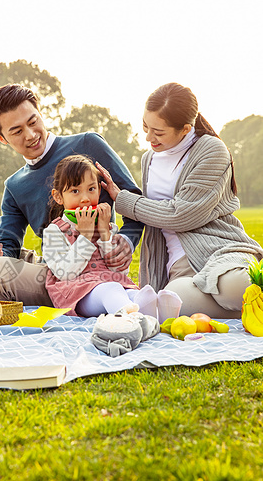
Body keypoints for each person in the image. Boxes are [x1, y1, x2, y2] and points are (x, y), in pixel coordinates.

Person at [0, 84, 144, 306]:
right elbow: (9, 245)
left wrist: (127, 239)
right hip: (50, 265)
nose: (31, 135)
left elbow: (131, 195)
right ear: (2, 138)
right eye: (17, 131)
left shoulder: (88, 144)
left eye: (33, 122)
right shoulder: (15, 185)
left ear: (40, 114)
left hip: (82, 272)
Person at [97, 82, 263, 319]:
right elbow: (155, 217)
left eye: (159, 132)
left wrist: (124, 201)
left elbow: (181, 214)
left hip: (219, 252)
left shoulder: (211, 150)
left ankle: (243, 301)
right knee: (171, 301)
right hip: (179, 266)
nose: (148, 137)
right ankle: (248, 309)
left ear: (185, 129)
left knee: (235, 286)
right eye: (146, 126)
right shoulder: (149, 160)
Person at [43, 154, 182, 321]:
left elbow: (119, 271)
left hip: (112, 285)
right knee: (111, 289)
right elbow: (64, 273)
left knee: (134, 293)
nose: (85, 198)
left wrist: (104, 234)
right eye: (75, 191)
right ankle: (131, 320)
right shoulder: (54, 231)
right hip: (76, 293)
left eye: (91, 189)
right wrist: (85, 237)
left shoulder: (106, 227)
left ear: (99, 190)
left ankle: (159, 318)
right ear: (58, 197)